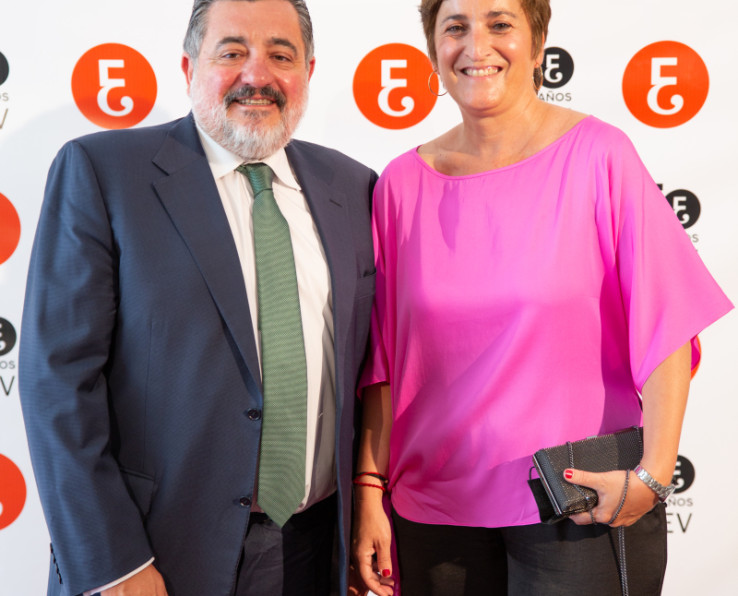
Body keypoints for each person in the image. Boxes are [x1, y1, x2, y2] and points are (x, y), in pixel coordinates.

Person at [351, 1, 733, 595]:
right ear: (433, 50)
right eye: (455, 27)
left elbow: (668, 325)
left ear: (537, 43)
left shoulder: (600, 155)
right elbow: (384, 366)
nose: (476, 45)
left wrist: (653, 476)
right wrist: (368, 491)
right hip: (433, 517)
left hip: (580, 503)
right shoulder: (400, 184)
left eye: (500, 23)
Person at [19, 1, 376, 595]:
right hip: (157, 555)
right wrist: (115, 566)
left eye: (281, 55)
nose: (257, 75)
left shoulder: (353, 186)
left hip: (317, 554)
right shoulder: (104, 173)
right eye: (232, 51)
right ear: (189, 68)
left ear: (309, 72)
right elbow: (57, 384)